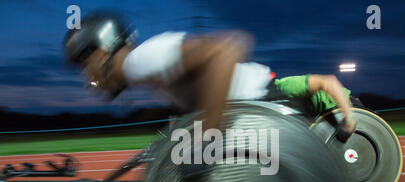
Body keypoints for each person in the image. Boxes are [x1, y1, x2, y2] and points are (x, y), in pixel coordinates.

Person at [64, 11, 356, 143]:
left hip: (266, 100)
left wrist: (208, 139)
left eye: (84, 65)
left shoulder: (138, 62)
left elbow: (227, 48)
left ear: (102, 53)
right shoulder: (144, 69)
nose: (88, 79)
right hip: (256, 104)